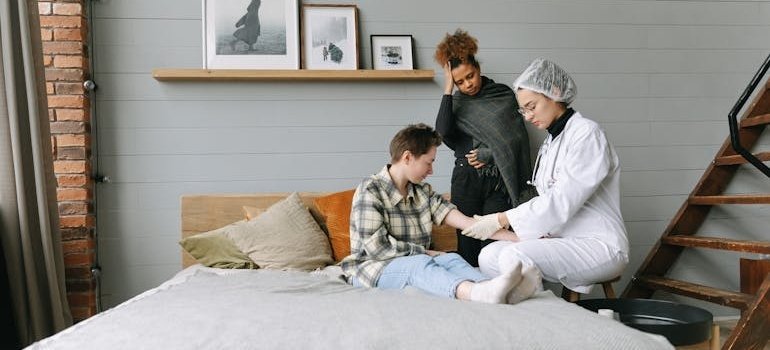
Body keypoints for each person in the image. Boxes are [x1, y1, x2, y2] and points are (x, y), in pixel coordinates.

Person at [462, 58, 630, 295]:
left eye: (532, 106)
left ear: (555, 92)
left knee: (513, 255)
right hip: (561, 239)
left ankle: (542, 320)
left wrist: (501, 219)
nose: (528, 117)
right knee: (488, 255)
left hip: (598, 244)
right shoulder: (550, 143)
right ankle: (520, 313)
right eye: (523, 110)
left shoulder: (586, 134)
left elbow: (562, 201)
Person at [340, 124, 538, 304]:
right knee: (420, 263)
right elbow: (377, 249)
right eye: (428, 162)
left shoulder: (422, 192)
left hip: (417, 260)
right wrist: (425, 252)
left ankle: (503, 290)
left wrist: (520, 239)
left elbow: (469, 224)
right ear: (407, 157)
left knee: (451, 259)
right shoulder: (371, 189)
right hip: (371, 269)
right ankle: (476, 293)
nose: (431, 170)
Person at [433, 29, 533, 266]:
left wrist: (489, 155)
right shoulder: (456, 102)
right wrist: (448, 89)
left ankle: (493, 296)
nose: (468, 84)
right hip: (466, 179)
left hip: (498, 181)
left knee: (494, 244)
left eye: (471, 76)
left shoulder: (503, 95)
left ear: (478, 68)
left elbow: (516, 140)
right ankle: (471, 297)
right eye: (460, 81)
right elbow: (444, 131)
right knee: (467, 243)